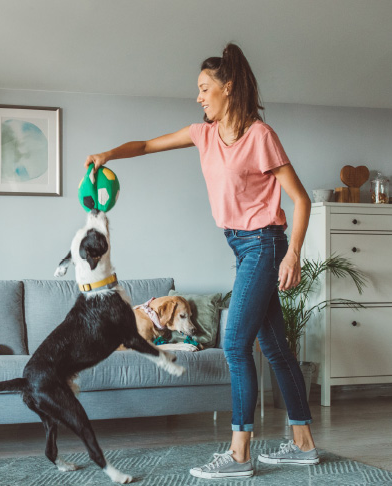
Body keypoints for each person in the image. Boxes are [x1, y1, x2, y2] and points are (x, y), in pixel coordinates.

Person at [84, 43, 317, 479]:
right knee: (275, 348)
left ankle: (239, 455)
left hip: (266, 244)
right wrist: (108, 155)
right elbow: (149, 145)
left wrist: (295, 254)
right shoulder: (203, 134)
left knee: (234, 345)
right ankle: (303, 443)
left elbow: (300, 200)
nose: (199, 96)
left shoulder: (259, 137)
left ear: (228, 88)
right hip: (242, 246)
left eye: (205, 88)